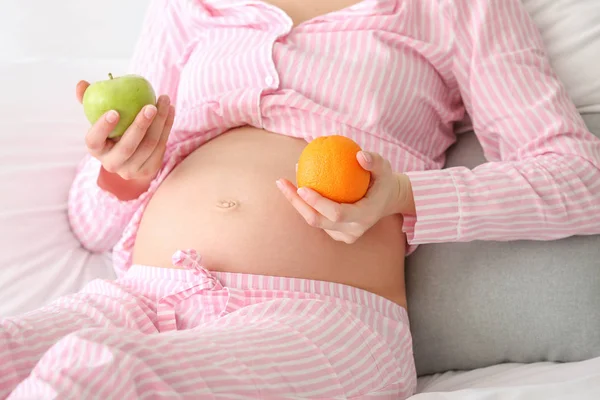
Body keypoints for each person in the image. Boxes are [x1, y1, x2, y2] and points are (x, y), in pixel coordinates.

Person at [2, 0, 600, 398]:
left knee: (93, 377)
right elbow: (91, 224)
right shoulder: (193, 9)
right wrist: (125, 170)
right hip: (139, 296)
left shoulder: (454, 7)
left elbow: (580, 178)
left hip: (321, 321)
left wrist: (403, 196)